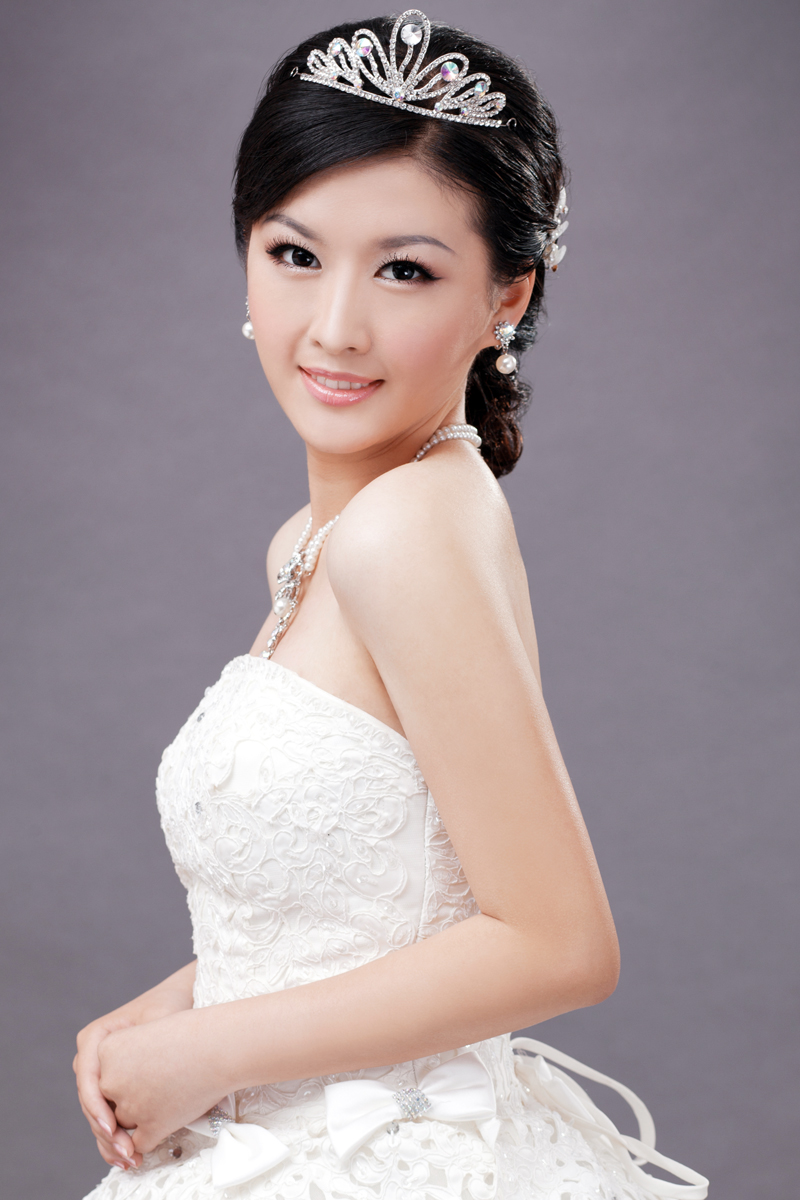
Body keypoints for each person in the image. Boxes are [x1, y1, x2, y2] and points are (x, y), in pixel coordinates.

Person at [74, 11, 708, 1199]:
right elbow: (387, 909)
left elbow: (557, 942)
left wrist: (206, 1051)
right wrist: (172, 1010)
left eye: (404, 269)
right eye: (294, 254)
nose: (333, 327)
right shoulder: (329, 536)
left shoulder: (404, 533)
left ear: (506, 296)